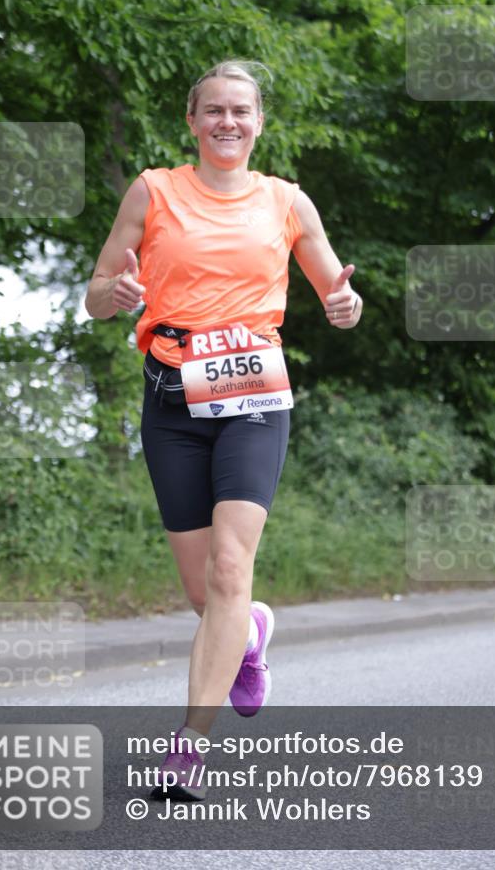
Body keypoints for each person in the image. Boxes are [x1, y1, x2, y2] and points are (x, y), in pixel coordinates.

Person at [84, 60, 362, 800]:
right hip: (170, 396)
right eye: (213, 110)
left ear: (259, 122)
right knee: (205, 594)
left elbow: (337, 293)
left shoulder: (287, 202)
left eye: (241, 110)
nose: (227, 121)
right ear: (192, 121)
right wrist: (115, 292)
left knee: (230, 569)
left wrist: (345, 306)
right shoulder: (153, 191)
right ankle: (251, 633)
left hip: (253, 394)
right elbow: (95, 296)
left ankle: (188, 748)